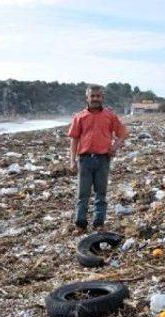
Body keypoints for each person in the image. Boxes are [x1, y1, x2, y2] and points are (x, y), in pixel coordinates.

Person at [68, 85, 129, 235]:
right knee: (83, 194)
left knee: (101, 194)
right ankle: (80, 225)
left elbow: (123, 133)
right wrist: (72, 161)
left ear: (102, 98)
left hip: (103, 159)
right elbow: (74, 140)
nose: (95, 99)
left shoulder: (110, 116)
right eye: (92, 96)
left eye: (98, 96)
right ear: (87, 98)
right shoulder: (79, 117)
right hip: (85, 159)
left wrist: (114, 147)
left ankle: (98, 224)